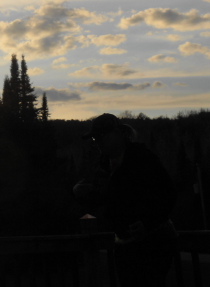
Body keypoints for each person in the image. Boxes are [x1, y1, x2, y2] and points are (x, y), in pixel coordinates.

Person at [73, 113, 177, 287]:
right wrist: (80, 194)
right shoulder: (105, 165)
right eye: (94, 138)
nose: (97, 142)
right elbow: (104, 200)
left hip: (153, 243)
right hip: (125, 245)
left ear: (119, 134)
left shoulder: (142, 158)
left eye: (101, 137)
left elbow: (168, 194)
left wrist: (147, 222)